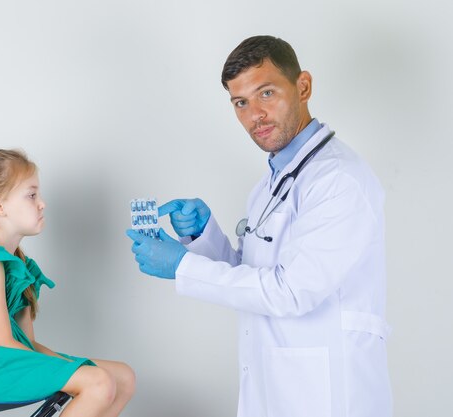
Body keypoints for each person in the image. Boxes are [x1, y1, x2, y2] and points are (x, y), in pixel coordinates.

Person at [126, 36, 392, 416]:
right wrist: (203, 237)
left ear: (303, 87)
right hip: (278, 387)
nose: (255, 115)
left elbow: (292, 291)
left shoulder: (338, 179)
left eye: (266, 93)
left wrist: (181, 266)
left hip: (330, 392)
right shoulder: (270, 184)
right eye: (241, 103)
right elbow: (255, 278)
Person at [0, 149, 134, 417]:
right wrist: (73, 368)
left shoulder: (21, 267)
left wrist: (67, 363)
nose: (42, 204)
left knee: (123, 377)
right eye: (31, 195)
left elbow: (25, 344)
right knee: (99, 382)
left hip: (0, 362)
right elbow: (2, 341)